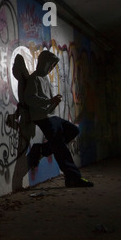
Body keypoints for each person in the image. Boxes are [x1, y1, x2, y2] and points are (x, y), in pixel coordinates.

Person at [24, 50, 94, 187]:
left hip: (51, 116)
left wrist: (53, 103)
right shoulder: (34, 78)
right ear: (43, 63)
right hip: (43, 117)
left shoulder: (44, 79)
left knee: (73, 130)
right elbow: (29, 99)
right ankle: (73, 177)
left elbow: (46, 101)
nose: (51, 69)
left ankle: (41, 150)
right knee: (60, 146)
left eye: (52, 66)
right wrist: (49, 101)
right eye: (49, 65)